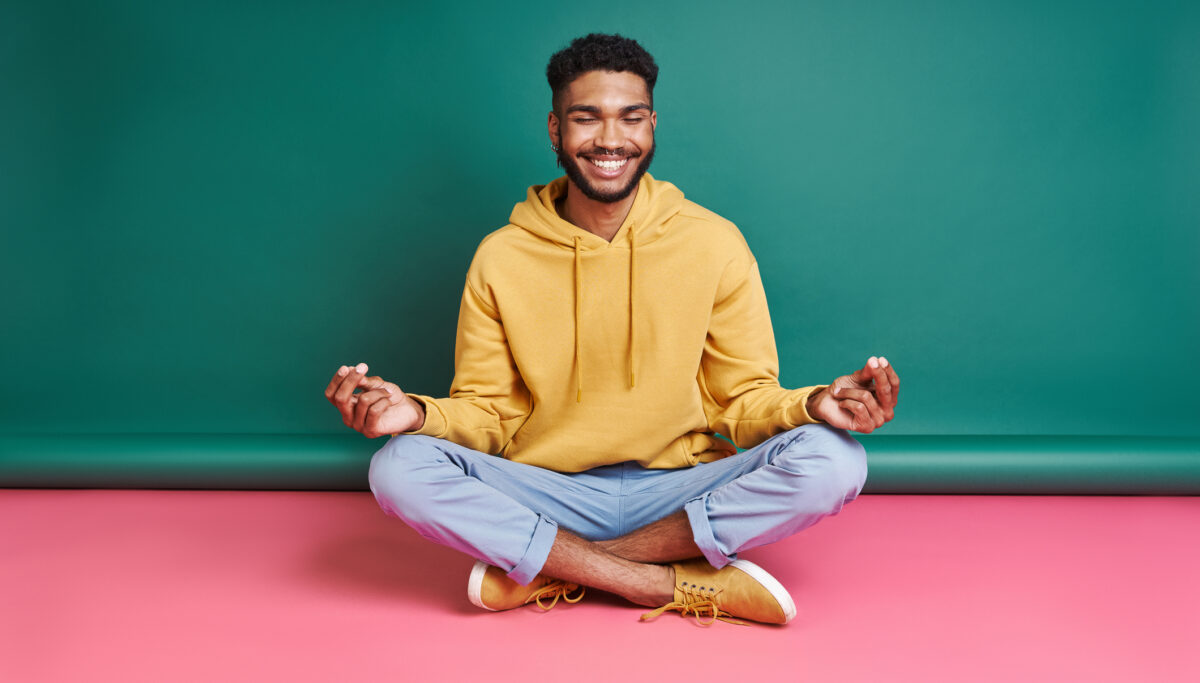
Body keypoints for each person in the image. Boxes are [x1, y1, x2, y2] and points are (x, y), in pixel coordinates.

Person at [324, 33, 898, 626]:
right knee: (397, 467)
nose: (609, 139)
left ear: (652, 125)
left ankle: (554, 568)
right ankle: (663, 584)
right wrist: (416, 416)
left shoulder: (714, 243)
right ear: (555, 130)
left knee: (835, 458)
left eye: (630, 118)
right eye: (585, 118)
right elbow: (487, 413)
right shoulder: (501, 258)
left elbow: (741, 400)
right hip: (547, 489)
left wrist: (813, 405)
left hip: (679, 488)